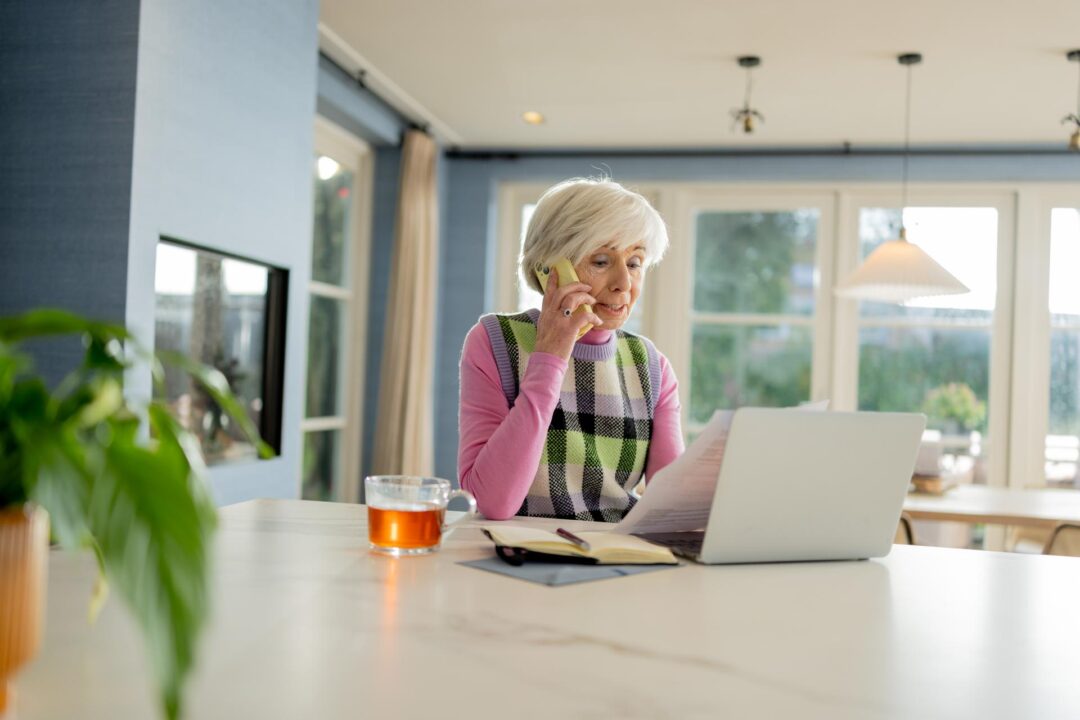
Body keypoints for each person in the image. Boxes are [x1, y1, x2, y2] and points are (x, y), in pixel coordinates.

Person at [457, 177, 684, 521]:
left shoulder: (651, 366)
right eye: (601, 261)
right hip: (519, 547)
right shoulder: (494, 341)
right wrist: (550, 356)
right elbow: (493, 502)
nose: (624, 284)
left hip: (614, 548)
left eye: (634, 263)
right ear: (550, 269)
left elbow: (675, 508)